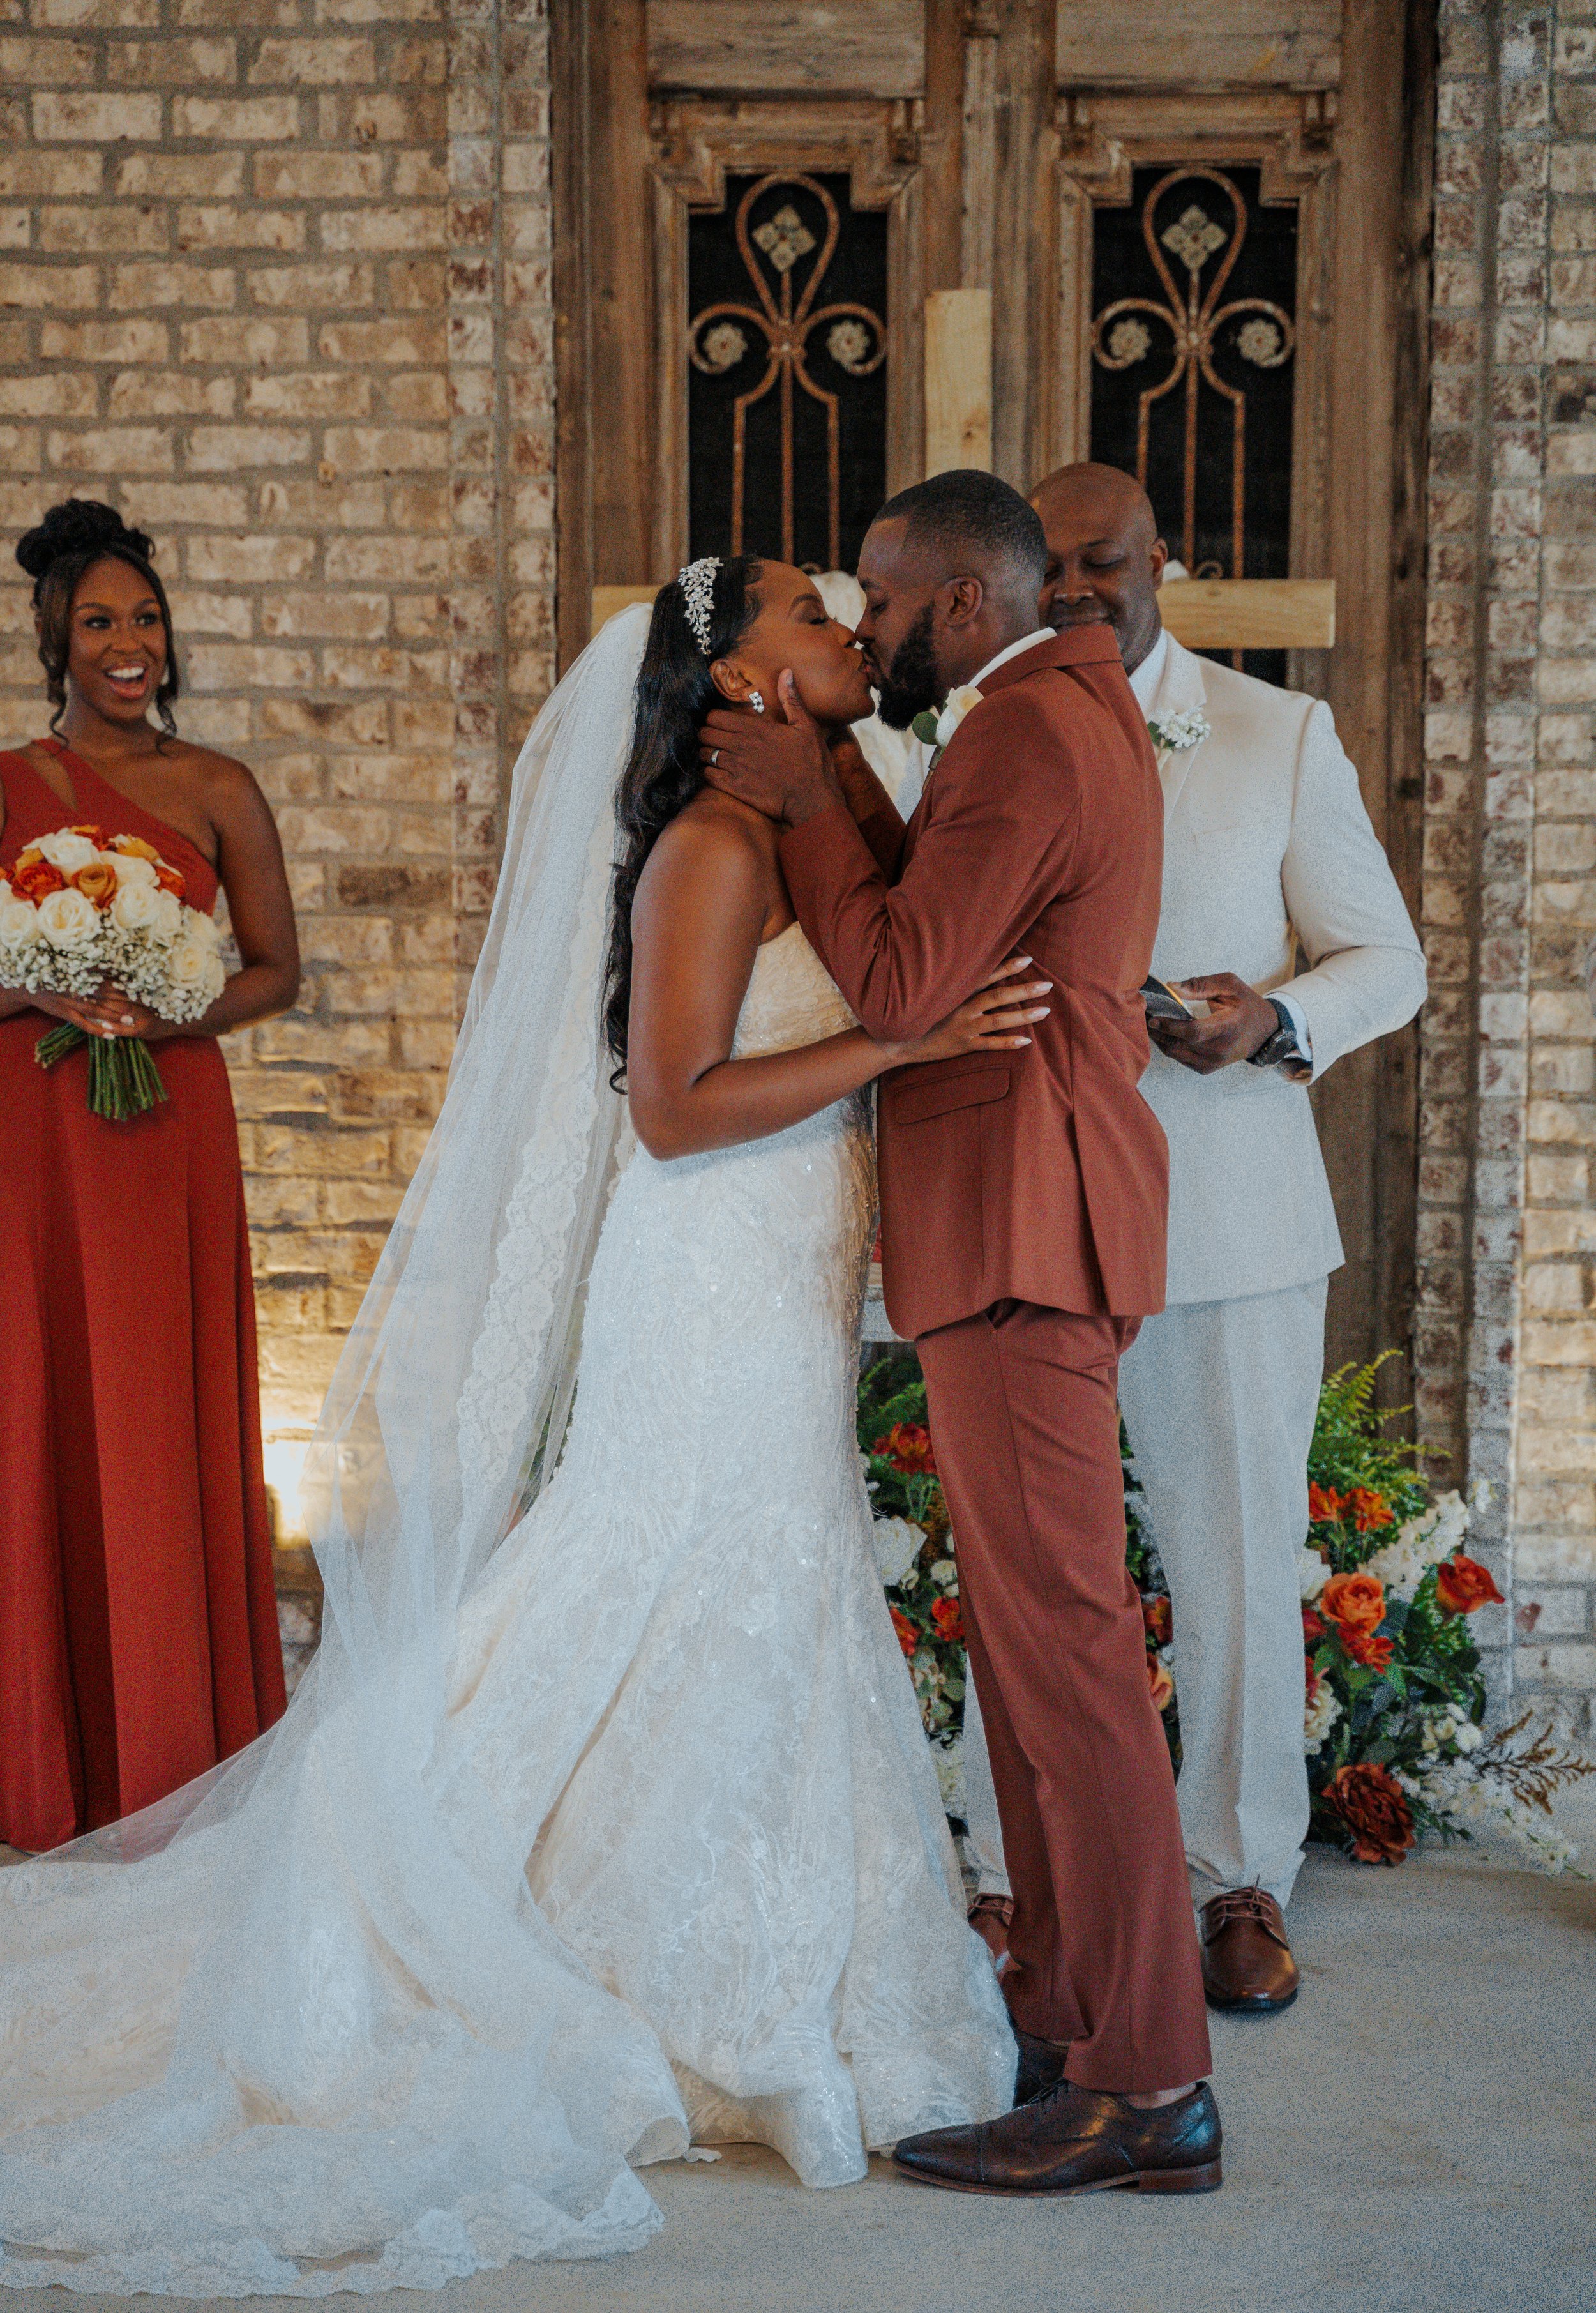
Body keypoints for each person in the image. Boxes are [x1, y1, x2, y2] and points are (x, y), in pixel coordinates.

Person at [0, 560, 1032, 2293]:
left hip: (776, 1270)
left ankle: (762, 1956)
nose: (841, 611)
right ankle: (580, 1943)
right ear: (735, 679)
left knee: (758, 1589)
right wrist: (896, 1037)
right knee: (672, 1566)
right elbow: (680, 1111)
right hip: (703, 1272)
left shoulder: (802, 823)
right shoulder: (708, 848)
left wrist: (899, 1031)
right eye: (797, 606)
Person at [700, 470, 1219, 2199]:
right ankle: (1069, 2010)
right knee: (1028, 1651)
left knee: (1067, 1658)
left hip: (1024, 1217)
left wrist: (791, 795)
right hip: (1018, 1217)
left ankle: (1151, 2079)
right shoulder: (1047, 717)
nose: (863, 625)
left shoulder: (1019, 732)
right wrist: (836, 770)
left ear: (966, 606)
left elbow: (907, 980)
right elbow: (943, 915)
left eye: (881, 595)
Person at [959, 462, 1427, 2014]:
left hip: (1224, 1210)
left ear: (1166, 560)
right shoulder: (971, 719)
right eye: (1057, 570)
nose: (1081, 592)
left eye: (1106, 565)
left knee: (1233, 1553)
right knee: (1032, 1563)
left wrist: (1276, 1015)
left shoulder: (1271, 732)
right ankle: (1007, 1871)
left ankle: (1237, 1880)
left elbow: (1386, 958)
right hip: (1035, 1207)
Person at [1, 499, 299, 1854]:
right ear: (55, 641)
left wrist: (168, 1014)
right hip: (37, 1131)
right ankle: (46, 1762)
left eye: (147, 619)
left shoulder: (221, 785)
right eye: (100, 623)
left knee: (158, 1405)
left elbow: (275, 968)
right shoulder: (8, 784)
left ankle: (180, 1748)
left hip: (164, 1124)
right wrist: (48, 983)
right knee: (46, 1401)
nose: (130, 644)